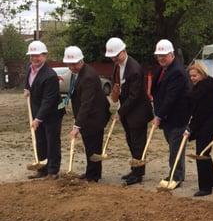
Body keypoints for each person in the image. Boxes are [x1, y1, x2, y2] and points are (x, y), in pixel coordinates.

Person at [105, 37, 153, 186]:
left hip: (138, 112)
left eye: (116, 55)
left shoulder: (134, 69)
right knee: (131, 141)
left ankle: (138, 174)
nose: (114, 59)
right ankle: (134, 169)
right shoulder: (117, 66)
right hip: (127, 111)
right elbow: (118, 86)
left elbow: (135, 96)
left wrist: (120, 112)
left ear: (124, 51)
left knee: (138, 143)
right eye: (111, 56)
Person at [63, 46, 111, 182]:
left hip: (95, 117)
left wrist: (77, 125)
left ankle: (93, 176)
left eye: (74, 64)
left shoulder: (88, 76)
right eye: (69, 64)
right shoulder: (79, 72)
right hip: (89, 117)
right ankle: (92, 172)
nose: (72, 67)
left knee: (93, 147)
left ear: (81, 60)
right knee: (90, 146)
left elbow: (86, 103)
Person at [151, 39, 191, 186]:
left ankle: (176, 176)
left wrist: (159, 115)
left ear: (172, 54)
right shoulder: (163, 69)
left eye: (164, 55)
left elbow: (171, 98)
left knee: (175, 148)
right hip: (168, 118)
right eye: (159, 56)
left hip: (177, 117)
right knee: (173, 146)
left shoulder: (177, 72)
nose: (161, 58)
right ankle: (178, 172)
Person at [24, 40, 64, 180]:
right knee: (40, 140)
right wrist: (27, 89)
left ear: (45, 55)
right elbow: (28, 81)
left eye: (38, 55)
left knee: (51, 141)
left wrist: (38, 119)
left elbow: (49, 100)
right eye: (32, 55)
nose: (34, 58)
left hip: (52, 113)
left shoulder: (50, 75)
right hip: (37, 110)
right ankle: (42, 168)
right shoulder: (30, 68)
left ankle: (53, 171)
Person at [186, 62, 213, 196]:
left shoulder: (205, 89)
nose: (193, 78)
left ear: (202, 74)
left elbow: (200, 113)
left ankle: (205, 187)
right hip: (209, 122)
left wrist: (190, 129)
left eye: (195, 75)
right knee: (205, 152)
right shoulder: (207, 85)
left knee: (201, 154)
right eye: (191, 76)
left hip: (209, 124)